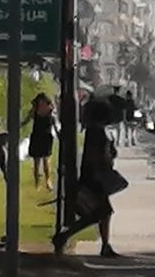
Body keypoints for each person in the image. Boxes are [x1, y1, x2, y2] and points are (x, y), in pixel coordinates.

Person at [53, 98, 125, 257]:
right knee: (99, 213)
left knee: (101, 213)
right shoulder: (96, 132)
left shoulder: (94, 131)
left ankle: (103, 244)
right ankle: (64, 236)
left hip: (94, 177)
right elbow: (96, 156)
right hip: (94, 179)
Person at [25, 93, 56, 190]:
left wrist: (59, 134)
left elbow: (54, 124)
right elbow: (26, 120)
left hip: (46, 137)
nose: (42, 104)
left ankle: (48, 180)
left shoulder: (50, 112)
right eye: (40, 102)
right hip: (37, 136)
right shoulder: (34, 112)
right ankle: (37, 182)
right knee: (36, 162)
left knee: (46, 161)